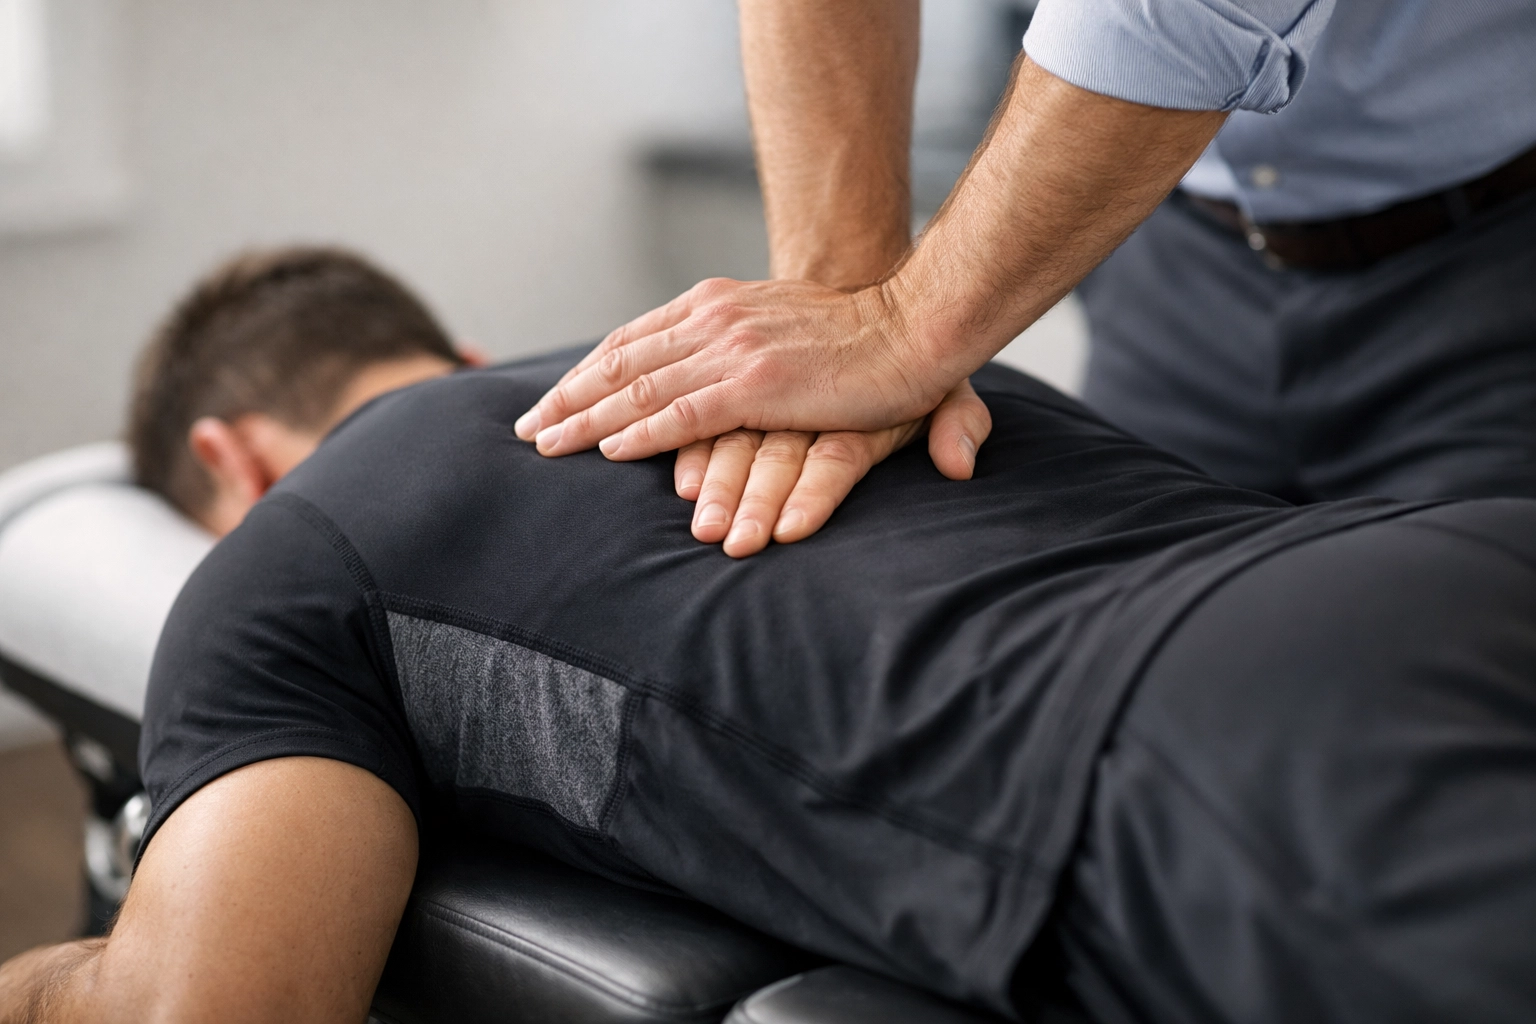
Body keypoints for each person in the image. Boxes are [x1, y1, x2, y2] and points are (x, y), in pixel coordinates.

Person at [3, 249, 1536, 1023]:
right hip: (1443, 554)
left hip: (1224, 746)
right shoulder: (789, 350)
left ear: (230, 461)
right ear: (466, 358)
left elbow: (220, 1008)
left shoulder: (296, 544)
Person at [513, 0, 1536, 542]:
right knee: (1142, 675)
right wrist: (835, 298)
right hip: (1178, 265)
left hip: (1495, 268)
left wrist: (902, 331)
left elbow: (1173, 15)